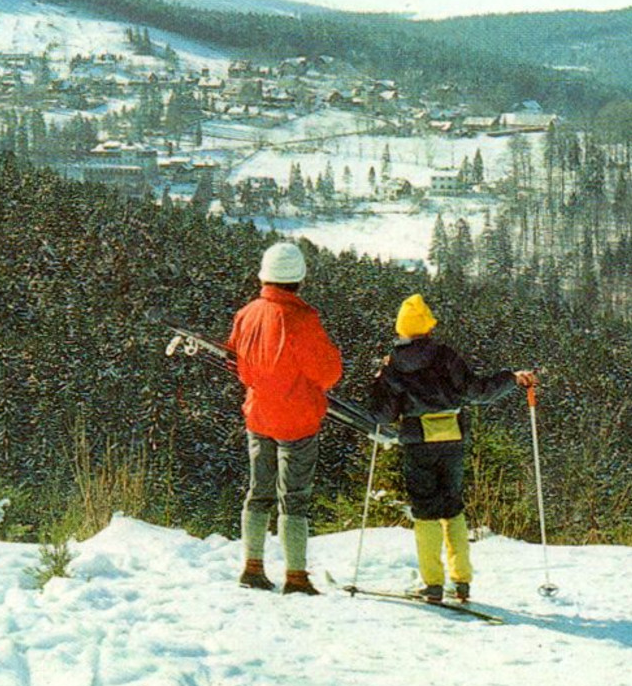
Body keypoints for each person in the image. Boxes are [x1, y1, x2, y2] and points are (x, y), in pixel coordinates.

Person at [369, 293, 535, 604]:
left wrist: (377, 383)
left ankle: (432, 584)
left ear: (401, 330)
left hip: (418, 443)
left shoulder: (393, 365)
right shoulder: (446, 357)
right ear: (429, 327)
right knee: (452, 507)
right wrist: (510, 379)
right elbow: (478, 391)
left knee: (425, 512)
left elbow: (382, 415)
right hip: (453, 437)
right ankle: (461, 583)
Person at [226, 241, 342, 596]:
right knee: (293, 496)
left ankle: (253, 566)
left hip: (259, 415)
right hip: (298, 420)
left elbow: (236, 362)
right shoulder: (302, 319)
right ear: (299, 278)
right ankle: (295, 575)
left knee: (258, 491)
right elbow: (328, 372)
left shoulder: (247, 313)